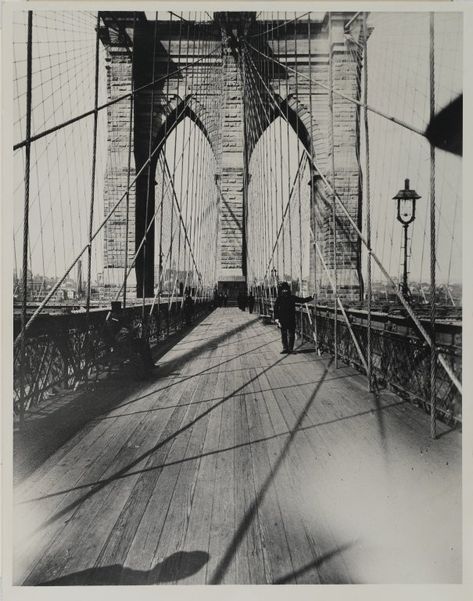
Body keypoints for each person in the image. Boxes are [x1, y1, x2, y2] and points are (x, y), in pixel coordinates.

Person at [273, 282, 314, 354]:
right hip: (282, 319)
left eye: (286, 290)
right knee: (284, 334)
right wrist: (276, 318)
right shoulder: (279, 298)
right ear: (282, 290)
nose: (285, 291)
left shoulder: (292, 297)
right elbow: (275, 308)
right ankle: (285, 348)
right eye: (283, 290)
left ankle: (290, 349)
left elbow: (302, 300)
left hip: (291, 319)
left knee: (291, 334)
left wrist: (311, 297)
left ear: (288, 290)